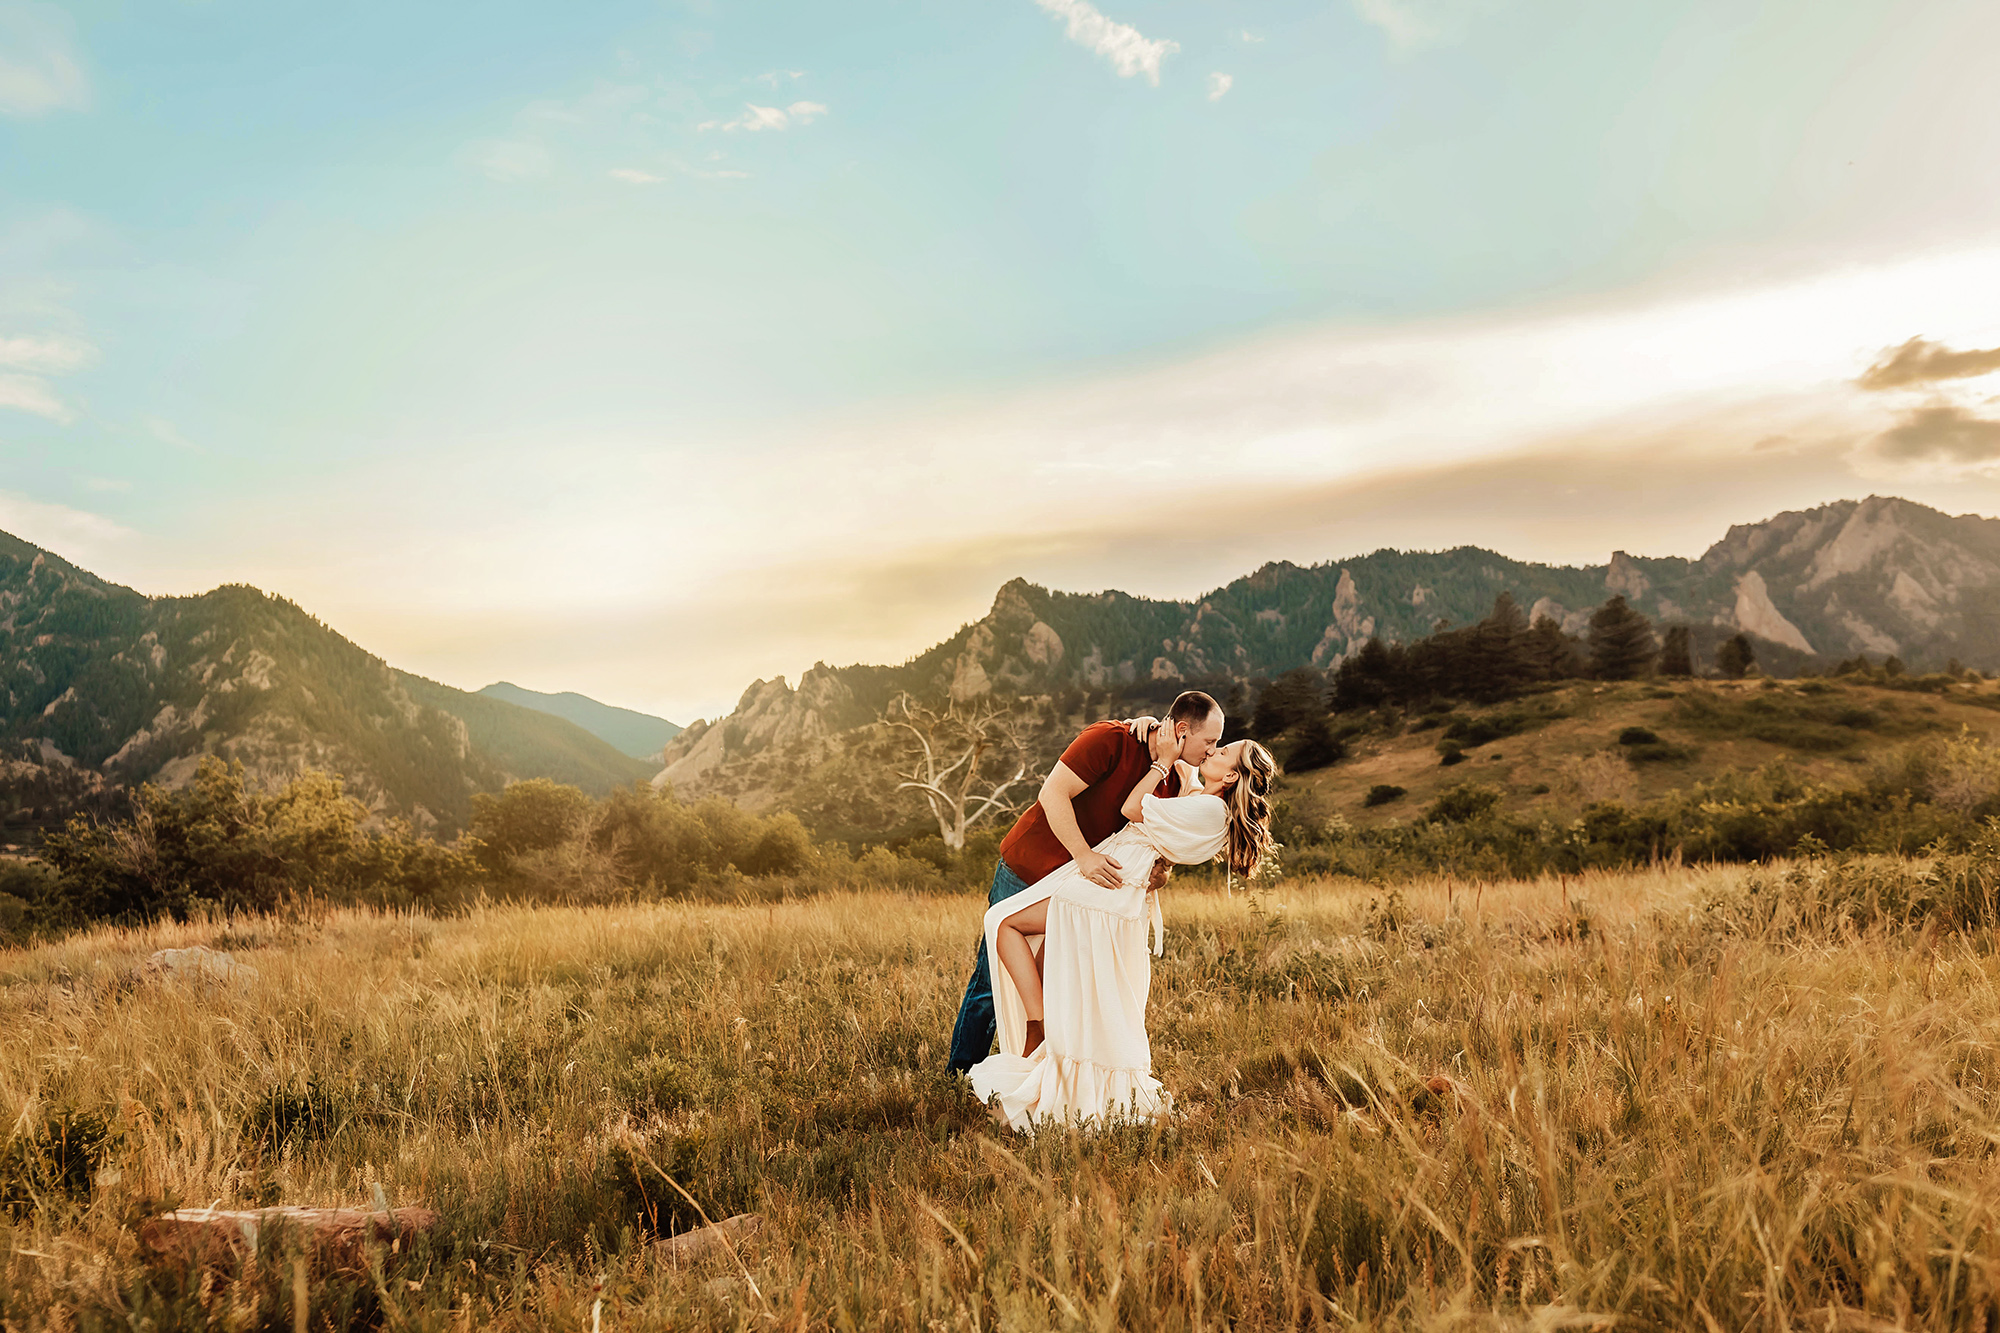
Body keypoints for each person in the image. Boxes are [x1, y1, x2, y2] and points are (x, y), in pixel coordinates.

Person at [967, 733, 1277, 1131]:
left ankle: (1038, 1025)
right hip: (1118, 883)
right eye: (1215, 742)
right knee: (1050, 969)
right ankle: (1042, 1050)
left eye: (1224, 750)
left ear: (1232, 776)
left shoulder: (1210, 812)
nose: (1214, 750)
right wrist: (1150, 729)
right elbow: (1185, 778)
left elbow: (1133, 807)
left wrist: (1160, 765)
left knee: (1005, 923)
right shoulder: (1206, 804)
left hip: (1109, 885)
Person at [945, 691, 1225, 1074]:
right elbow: (1052, 794)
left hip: (1081, 893)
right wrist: (1084, 855)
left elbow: (1158, 838)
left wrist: (1161, 871)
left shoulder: (1176, 777)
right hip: (1031, 868)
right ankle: (960, 1074)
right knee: (991, 983)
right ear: (1180, 730)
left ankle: (1031, 1074)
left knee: (1055, 984)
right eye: (1209, 742)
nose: (1212, 751)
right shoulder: (1110, 739)